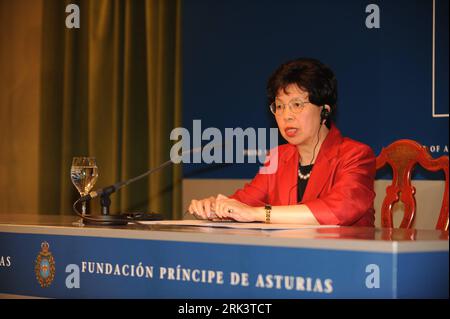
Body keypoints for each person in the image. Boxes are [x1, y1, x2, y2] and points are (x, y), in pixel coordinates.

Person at [187, 58, 376, 226]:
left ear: (324, 111)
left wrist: (258, 214)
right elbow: (244, 203)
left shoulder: (355, 154)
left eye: (296, 105)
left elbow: (340, 209)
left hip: (344, 260)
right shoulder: (278, 157)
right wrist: (216, 208)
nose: (286, 116)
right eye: (279, 106)